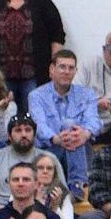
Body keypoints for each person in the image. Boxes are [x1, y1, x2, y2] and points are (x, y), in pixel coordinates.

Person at [28, 50, 97, 191]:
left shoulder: (87, 94)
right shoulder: (36, 96)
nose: (67, 71)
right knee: (71, 128)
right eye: (62, 67)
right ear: (52, 69)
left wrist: (85, 134)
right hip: (49, 150)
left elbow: (94, 121)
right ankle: (78, 186)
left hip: (80, 150)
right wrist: (56, 139)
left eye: (71, 68)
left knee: (74, 131)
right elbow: (39, 125)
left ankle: (77, 185)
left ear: (75, 71)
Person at [0, 118, 60, 214]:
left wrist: (52, 205)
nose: (24, 134)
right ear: (9, 136)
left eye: (28, 130)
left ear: (34, 135)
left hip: (39, 214)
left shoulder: (49, 158)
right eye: (18, 130)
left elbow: (66, 193)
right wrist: (2, 211)